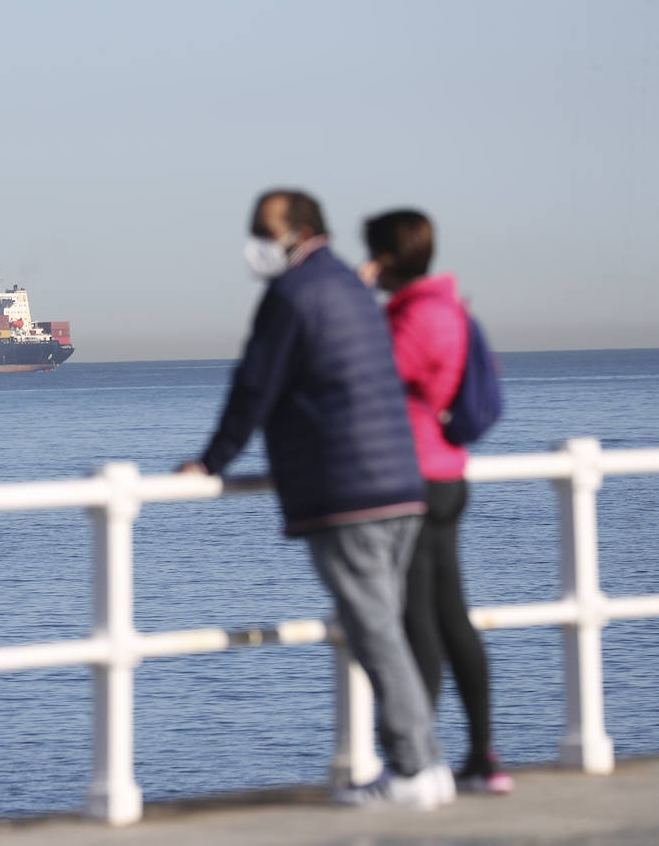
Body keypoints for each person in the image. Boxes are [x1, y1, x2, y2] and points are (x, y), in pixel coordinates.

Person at [180, 189, 452, 809]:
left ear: (299, 233)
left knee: (375, 631)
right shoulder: (354, 288)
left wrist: (212, 461)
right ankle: (427, 766)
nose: (253, 244)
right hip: (400, 484)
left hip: (346, 489)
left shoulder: (293, 295)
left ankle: (411, 771)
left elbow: (255, 385)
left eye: (262, 231)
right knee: (391, 630)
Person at [359, 209, 513, 794]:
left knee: (418, 620)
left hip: (415, 478)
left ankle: (417, 763)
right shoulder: (448, 308)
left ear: (387, 258)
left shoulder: (416, 317)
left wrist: (356, 296)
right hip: (446, 472)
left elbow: (367, 377)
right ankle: (482, 758)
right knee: (451, 616)